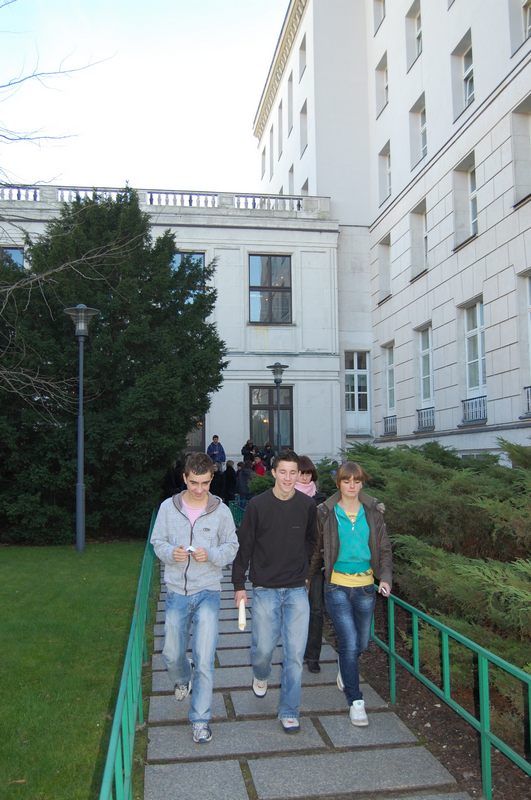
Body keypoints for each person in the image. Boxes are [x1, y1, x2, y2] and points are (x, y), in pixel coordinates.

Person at [150, 452, 239, 744]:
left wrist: (211, 554)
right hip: (176, 591)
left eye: (205, 483)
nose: (199, 489)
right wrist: (170, 553)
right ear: (185, 478)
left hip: (208, 592)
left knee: (204, 659)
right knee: (170, 653)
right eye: (194, 483)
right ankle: (181, 678)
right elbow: (157, 541)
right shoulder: (168, 508)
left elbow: (232, 547)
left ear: (211, 479)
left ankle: (200, 720)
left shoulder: (221, 511)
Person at [232, 450, 317, 734]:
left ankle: (290, 710)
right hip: (265, 588)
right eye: (283, 472)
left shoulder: (307, 505)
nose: (288, 478)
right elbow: (244, 546)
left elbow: (312, 541)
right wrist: (239, 585)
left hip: (296, 589)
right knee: (263, 651)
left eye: (293, 473)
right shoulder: (258, 506)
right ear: (273, 473)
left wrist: (305, 572)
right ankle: (261, 674)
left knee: (294, 654)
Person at [310, 460, 392, 727]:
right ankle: (356, 701)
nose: (352, 486)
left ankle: (346, 668)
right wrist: (308, 579)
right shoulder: (326, 513)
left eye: (357, 481)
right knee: (348, 642)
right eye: (347, 481)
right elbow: (316, 549)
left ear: (362, 483)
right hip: (336, 586)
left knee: (362, 643)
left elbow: (384, 549)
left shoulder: (373, 512)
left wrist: (385, 578)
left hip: (366, 586)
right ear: (339, 483)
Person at [294, 456, 326, 674]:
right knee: (294, 609)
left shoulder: (321, 500)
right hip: (292, 562)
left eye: (308, 474)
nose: (305, 478)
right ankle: (295, 650)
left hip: (316, 562)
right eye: (301, 473)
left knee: (316, 609)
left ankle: (313, 655)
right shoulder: (287, 497)